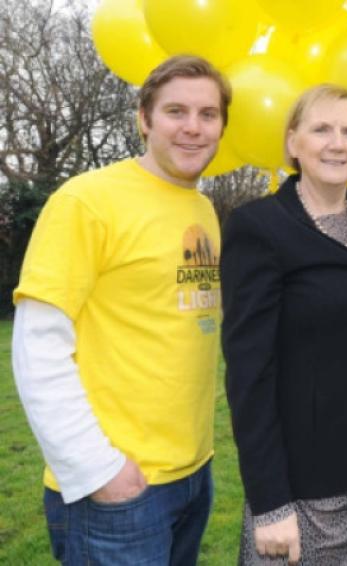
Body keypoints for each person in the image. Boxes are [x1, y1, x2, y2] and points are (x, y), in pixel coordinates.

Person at [11, 55, 230, 565]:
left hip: (193, 476)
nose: (193, 128)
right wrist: (96, 468)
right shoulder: (87, 201)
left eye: (208, 114)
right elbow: (37, 344)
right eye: (176, 111)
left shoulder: (201, 208)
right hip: (118, 490)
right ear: (144, 118)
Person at [221, 84, 347, 566]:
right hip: (302, 482)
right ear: (292, 142)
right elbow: (249, 373)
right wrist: (269, 503)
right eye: (321, 128)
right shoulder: (258, 228)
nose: (337, 142)